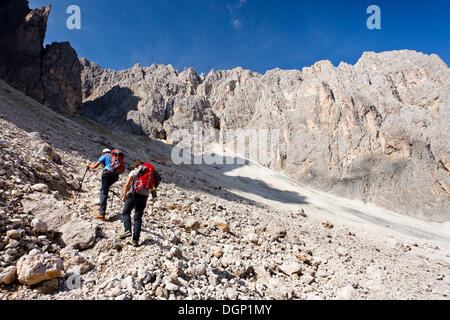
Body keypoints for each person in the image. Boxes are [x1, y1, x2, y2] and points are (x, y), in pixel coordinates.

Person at [119, 160, 160, 247]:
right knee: (138, 218)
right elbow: (154, 186)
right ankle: (135, 241)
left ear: (136, 166)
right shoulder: (151, 174)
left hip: (133, 195)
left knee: (126, 212)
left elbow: (127, 184)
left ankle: (127, 230)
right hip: (144, 197)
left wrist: (124, 195)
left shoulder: (134, 172)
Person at [86, 148, 120, 221]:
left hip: (107, 174)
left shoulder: (104, 156)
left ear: (103, 152)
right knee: (105, 190)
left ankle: (102, 214)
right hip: (115, 176)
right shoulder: (115, 157)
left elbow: (95, 166)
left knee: (103, 192)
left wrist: (89, 165)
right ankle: (103, 209)